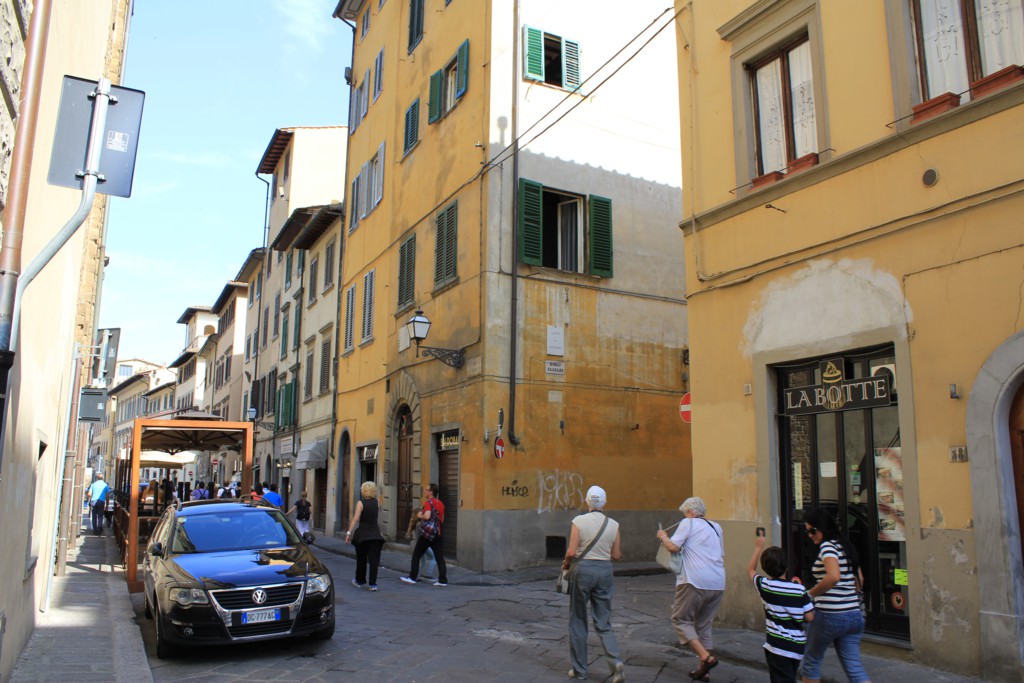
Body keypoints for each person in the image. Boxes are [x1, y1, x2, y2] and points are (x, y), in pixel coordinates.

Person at [656, 496, 725, 682]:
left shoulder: (688, 523)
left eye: (685, 512)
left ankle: (705, 657)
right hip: (718, 582)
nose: (684, 516)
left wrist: (663, 536)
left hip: (694, 580)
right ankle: (704, 671)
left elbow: (672, 547)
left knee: (679, 619)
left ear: (691, 512)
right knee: (704, 625)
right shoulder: (716, 527)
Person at [801, 509, 873, 683]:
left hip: (829, 615)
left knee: (810, 663)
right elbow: (859, 580)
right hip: (854, 615)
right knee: (854, 668)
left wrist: (809, 594)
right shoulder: (846, 547)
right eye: (807, 531)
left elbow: (833, 576)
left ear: (823, 528)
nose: (810, 535)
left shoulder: (827, 547)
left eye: (812, 530)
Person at [562, 485, 625, 683]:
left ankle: (580, 670)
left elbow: (571, 552)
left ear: (587, 501)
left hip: (583, 571)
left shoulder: (578, 521)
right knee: (604, 622)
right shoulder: (614, 524)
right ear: (604, 503)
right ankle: (615, 663)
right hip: (605, 571)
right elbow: (616, 555)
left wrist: (565, 565)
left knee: (578, 620)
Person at [747, 531, 814, 683]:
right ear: (786, 566)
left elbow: (750, 570)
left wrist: (758, 547)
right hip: (797, 646)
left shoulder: (765, 586)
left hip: (777, 646)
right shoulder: (799, 590)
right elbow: (810, 616)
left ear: (765, 568)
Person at [400, 483, 449, 587]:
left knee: (416, 554)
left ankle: (412, 577)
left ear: (431, 492)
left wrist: (420, 515)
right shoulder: (441, 503)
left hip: (427, 534)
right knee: (439, 557)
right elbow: (442, 520)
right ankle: (443, 580)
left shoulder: (428, 503)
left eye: (427, 490)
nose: (425, 491)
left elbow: (427, 516)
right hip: (438, 533)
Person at [345, 482, 385, 591]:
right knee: (374, 561)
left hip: (363, 535)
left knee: (361, 559)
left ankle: (360, 580)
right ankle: (373, 584)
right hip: (375, 535)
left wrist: (348, 533)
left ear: (363, 491)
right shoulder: (377, 502)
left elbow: (355, 519)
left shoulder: (360, 503)